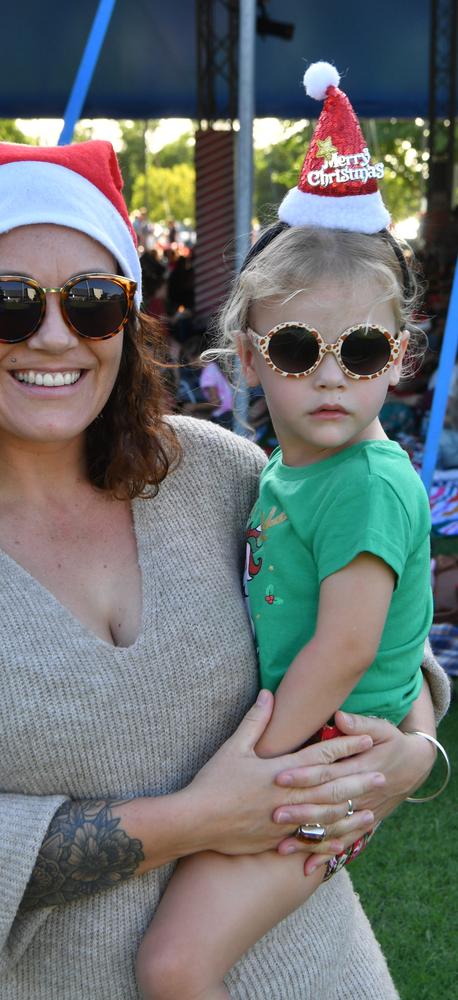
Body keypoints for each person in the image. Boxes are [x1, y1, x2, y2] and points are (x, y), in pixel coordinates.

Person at [0, 132, 450, 1000]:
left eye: (92, 301)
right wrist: (197, 819)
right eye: (5, 302)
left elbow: (377, 634)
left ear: (127, 317)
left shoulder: (215, 471)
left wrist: (415, 749)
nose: (52, 335)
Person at [136, 63, 449, 1000]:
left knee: (175, 964)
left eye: (360, 352)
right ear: (247, 360)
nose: (329, 378)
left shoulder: (362, 483)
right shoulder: (293, 470)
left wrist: (258, 763)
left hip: (321, 759)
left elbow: (349, 643)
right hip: (330, 749)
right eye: (297, 350)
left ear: (398, 357)